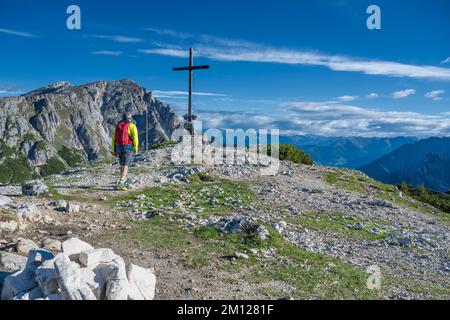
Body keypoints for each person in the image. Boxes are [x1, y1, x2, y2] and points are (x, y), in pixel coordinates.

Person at [112, 112, 139, 190]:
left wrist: (114, 150)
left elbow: (113, 139)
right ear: (130, 118)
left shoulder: (118, 126)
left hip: (118, 147)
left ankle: (123, 181)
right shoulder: (132, 126)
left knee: (122, 164)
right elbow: (135, 138)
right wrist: (135, 148)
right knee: (126, 165)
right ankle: (122, 181)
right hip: (127, 147)